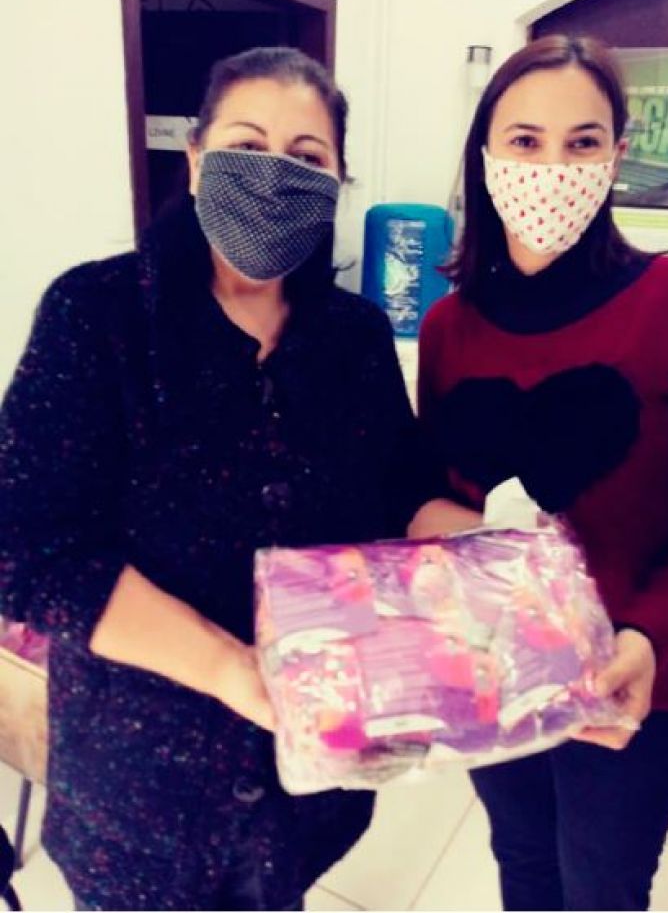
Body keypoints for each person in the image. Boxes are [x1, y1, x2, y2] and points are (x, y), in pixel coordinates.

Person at [0, 46, 442, 911]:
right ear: (198, 160)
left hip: (306, 788)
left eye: (307, 158)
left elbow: (403, 490)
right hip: (141, 801)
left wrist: (513, 582)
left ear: (336, 184)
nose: (275, 177)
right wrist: (230, 668)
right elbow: (27, 549)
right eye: (247, 145)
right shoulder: (98, 316)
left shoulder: (352, 336)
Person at [407, 34, 668, 911]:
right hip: (496, 673)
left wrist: (644, 638)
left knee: (601, 891)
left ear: (616, 155)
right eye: (525, 141)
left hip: (637, 685)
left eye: (582, 142)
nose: (552, 167)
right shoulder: (449, 327)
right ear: (486, 155)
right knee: (523, 867)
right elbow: (436, 493)